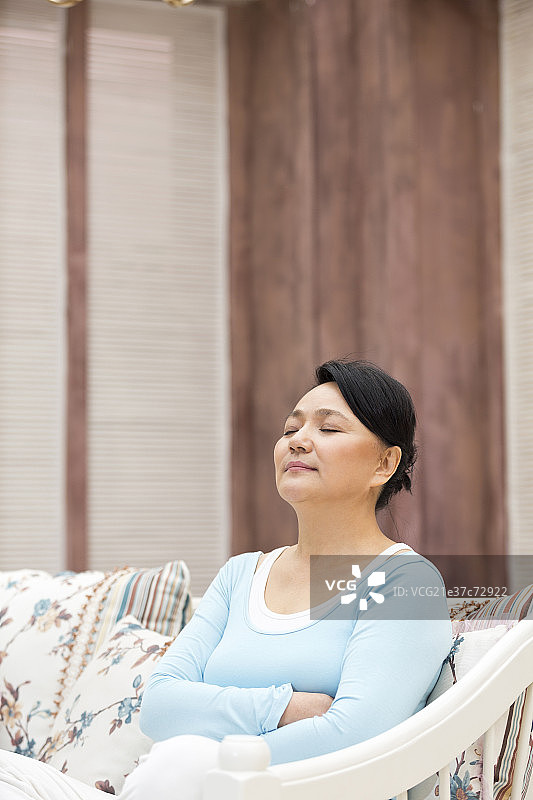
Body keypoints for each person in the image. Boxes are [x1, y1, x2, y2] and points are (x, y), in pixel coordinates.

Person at [0, 359, 453, 800]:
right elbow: (159, 707)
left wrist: (212, 761)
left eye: (328, 429)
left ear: (384, 464)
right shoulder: (242, 574)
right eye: (290, 429)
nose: (298, 441)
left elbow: (355, 736)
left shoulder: (404, 583)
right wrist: (285, 706)